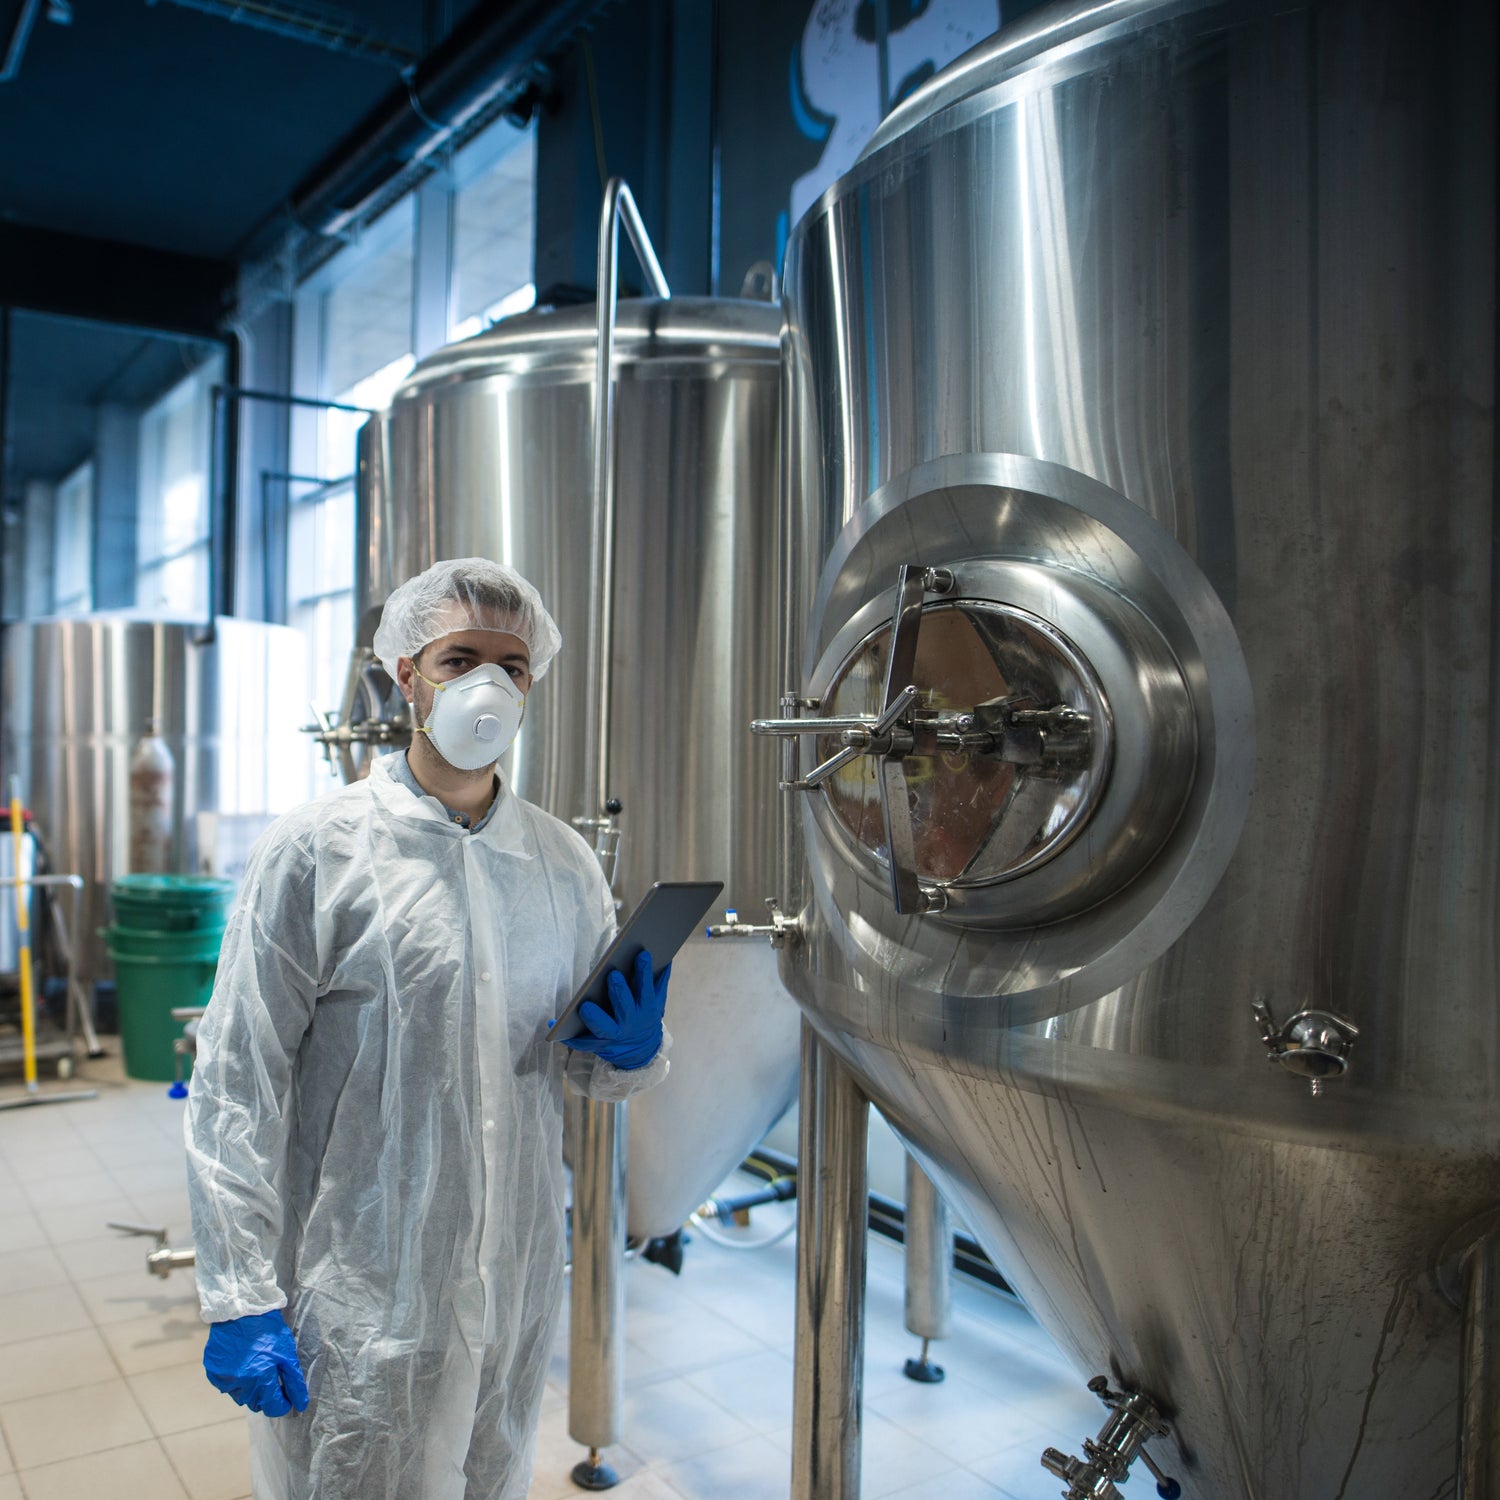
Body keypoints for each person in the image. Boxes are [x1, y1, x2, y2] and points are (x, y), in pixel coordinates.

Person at [184, 558, 670, 1500]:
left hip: (510, 1283)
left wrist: (635, 1051)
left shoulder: (562, 864)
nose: (488, 686)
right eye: (460, 659)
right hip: (360, 1290)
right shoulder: (320, 849)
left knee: (487, 1478)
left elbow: (588, 1071)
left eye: (512, 666)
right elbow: (238, 1080)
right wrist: (241, 1292)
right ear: (407, 675)